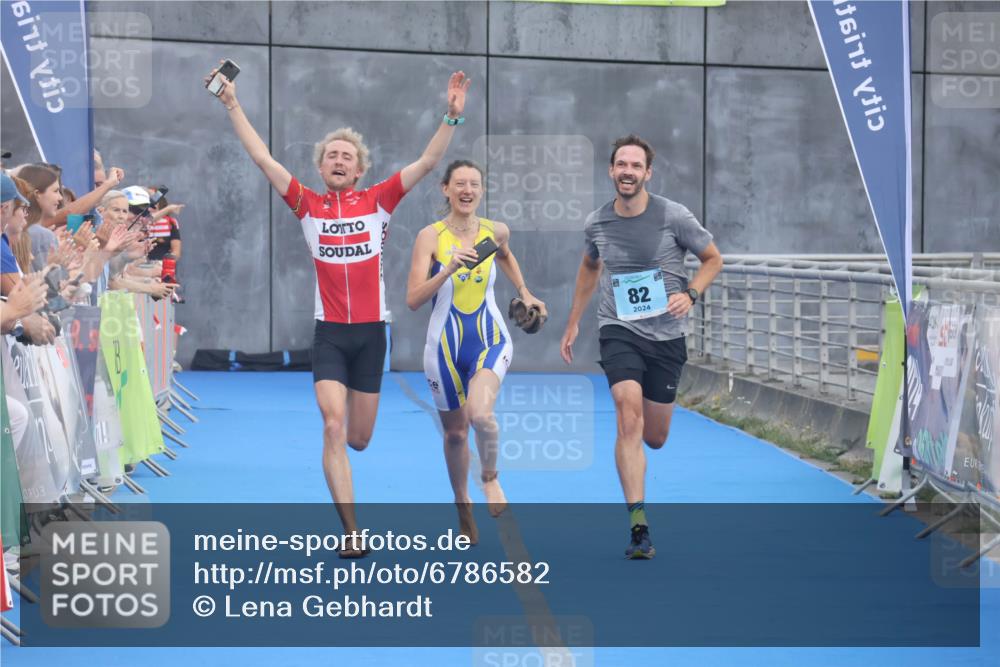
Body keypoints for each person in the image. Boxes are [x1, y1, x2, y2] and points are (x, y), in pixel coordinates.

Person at [207, 61, 471, 556]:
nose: (339, 160)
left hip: (371, 334)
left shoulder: (379, 201)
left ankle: (350, 445)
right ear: (321, 166)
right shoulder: (307, 203)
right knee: (332, 425)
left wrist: (451, 116)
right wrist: (233, 103)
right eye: (331, 154)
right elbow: (262, 157)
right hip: (329, 334)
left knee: (358, 439)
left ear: (360, 168)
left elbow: (428, 162)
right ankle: (352, 532)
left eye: (347, 156)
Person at [560, 135, 723, 559]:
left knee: (655, 437)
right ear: (611, 170)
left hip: (667, 335)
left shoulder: (674, 215)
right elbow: (589, 266)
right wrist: (573, 321)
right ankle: (638, 525)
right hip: (619, 328)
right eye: (621, 164)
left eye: (636, 165)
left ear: (648, 173)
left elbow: (713, 259)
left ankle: (642, 487)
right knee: (626, 412)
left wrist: (691, 294)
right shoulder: (597, 222)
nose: (627, 171)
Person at [406, 160, 546, 543]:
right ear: (445, 189)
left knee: (481, 415)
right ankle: (462, 504)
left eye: (474, 184)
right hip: (444, 349)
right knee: (455, 434)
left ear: (481, 191)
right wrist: (447, 269)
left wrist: (525, 292)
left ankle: (490, 477)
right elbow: (413, 299)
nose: (467, 190)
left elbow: (505, 254)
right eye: (460, 184)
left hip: (489, 338)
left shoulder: (494, 231)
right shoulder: (430, 237)